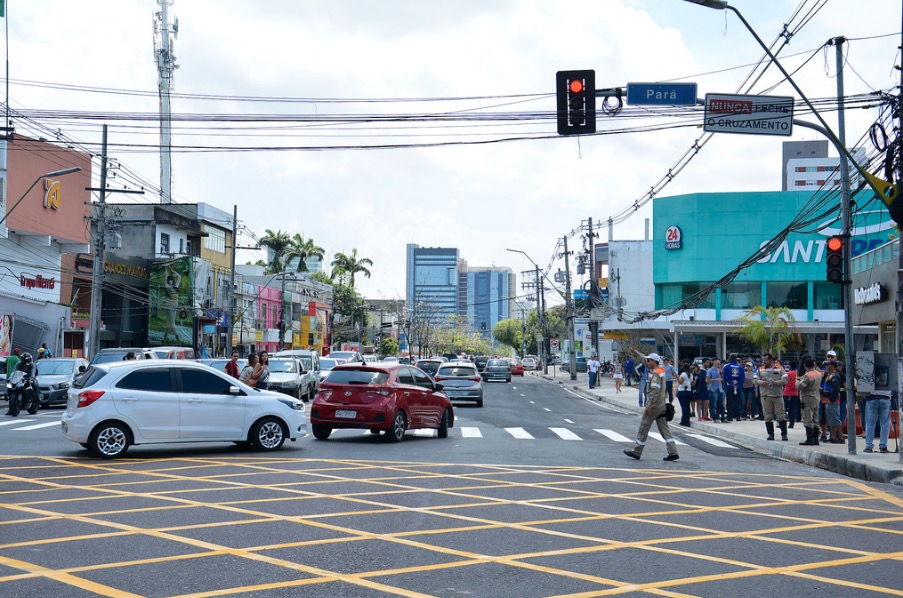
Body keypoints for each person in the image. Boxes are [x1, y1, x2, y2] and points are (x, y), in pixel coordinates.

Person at [624, 353, 679, 462]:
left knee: (644, 427)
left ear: (654, 361)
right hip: (661, 405)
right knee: (664, 429)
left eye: (649, 361)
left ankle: (637, 451)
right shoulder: (661, 371)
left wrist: (648, 406)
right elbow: (645, 359)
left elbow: (654, 392)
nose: (647, 362)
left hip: (654, 406)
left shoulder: (655, 374)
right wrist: (634, 351)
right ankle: (673, 452)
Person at [756, 353, 789, 441]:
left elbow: (785, 380)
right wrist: (761, 382)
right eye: (763, 360)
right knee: (768, 416)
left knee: (781, 416)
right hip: (765, 396)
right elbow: (754, 379)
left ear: (771, 360)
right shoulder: (760, 369)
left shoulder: (779, 368)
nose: (764, 362)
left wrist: (776, 382)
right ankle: (770, 434)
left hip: (777, 395)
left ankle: (784, 434)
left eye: (765, 360)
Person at [795, 356, 822, 446]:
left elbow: (800, 386)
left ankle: (809, 439)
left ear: (805, 365)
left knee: (807, 418)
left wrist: (797, 382)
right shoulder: (818, 374)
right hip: (816, 397)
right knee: (815, 417)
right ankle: (816, 439)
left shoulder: (808, 376)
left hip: (807, 397)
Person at [820, 361, 843, 444]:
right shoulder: (829, 375)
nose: (827, 367)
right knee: (831, 420)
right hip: (827, 400)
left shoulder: (835, 376)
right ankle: (833, 436)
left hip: (832, 401)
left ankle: (840, 437)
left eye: (828, 365)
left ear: (833, 366)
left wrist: (831, 399)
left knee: (836, 419)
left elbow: (836, 389)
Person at [722, 354, 745, 422]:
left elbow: (725, 376)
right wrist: (738, 384)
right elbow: (743, 377)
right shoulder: (740, 367)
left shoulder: (726, 366)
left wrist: (731, 383)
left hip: (729, 386)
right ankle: (738, 416)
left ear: (729, 358)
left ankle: (730, 416)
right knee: (738, 401)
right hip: (738, 386)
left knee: (730, 401)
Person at [707, 358, 726, 422]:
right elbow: (707, 380)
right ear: (713, 362)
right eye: (717, 361)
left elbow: (722, 378)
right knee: (713, 404)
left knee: (721, 404)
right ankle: (713, 417)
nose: (718, 363)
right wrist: (716, 379)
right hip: (713, 389)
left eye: (719, 362)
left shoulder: (720, 370)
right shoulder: (710, 371)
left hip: (720, 388)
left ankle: (723, 417)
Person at [3, 348, 21, 416]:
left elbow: (4, 365)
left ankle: (10, 409)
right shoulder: (17, 359)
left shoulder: (9, 358)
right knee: (15, 392)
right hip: (14, 377)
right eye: (19, 352)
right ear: (17, 352)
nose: (19, 353)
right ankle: (13, 408)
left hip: (8, 377)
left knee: (10, 392)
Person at [676, 362, 693, 427]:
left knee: (683, 407)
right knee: (687, 406)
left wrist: (677, 376)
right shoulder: (690, 375)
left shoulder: (683, 374)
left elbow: (680, 382)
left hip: (682, 391)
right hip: (688, 391)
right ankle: (687, 420)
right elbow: (691, 383)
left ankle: (684, 421)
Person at [784, 361, 800, 428]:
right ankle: (791, 423)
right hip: (795, 393)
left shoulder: (787, 374)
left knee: (783, 408)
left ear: (790, 366)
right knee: (792, 409)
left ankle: (781, 422)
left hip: (787, 392)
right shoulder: (798, 373)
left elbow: (784, 382)